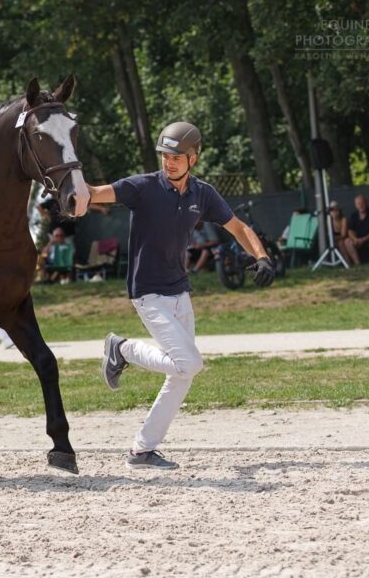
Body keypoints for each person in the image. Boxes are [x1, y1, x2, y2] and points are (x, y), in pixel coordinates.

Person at [88, 122, 275, 470]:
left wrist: (261, 256)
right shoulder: (141, 187)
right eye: (165, 156)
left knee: (181, 375)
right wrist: (70, 192)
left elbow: (238, 227)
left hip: (180, 292)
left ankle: (141, 450)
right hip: (148, 294)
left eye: (177, 157)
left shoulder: (202, 194)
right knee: (190, 363)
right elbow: (95, 193)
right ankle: (122, 348)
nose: (169, 163)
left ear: (194, 157)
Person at [346, 194, 369, 265]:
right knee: (347, 241)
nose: (360, 206)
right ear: (355, 205)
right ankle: (357, 263)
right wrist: (355, 239)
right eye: (358, 204)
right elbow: (350, 231)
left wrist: (364, 239)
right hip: (358, 239)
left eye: (362, 203)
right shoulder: (354, 215)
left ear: (366, 203)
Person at [328, 201, 357, 265]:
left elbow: (343, 235)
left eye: (336, 211)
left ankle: (348, 262)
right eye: (332, 211)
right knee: (340, 242)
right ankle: (346, 262)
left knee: (341, 242)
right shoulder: (329, 221)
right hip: (334, 240)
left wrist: (335, 238)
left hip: (344, 238)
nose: (334, 213)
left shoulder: (344, 219)